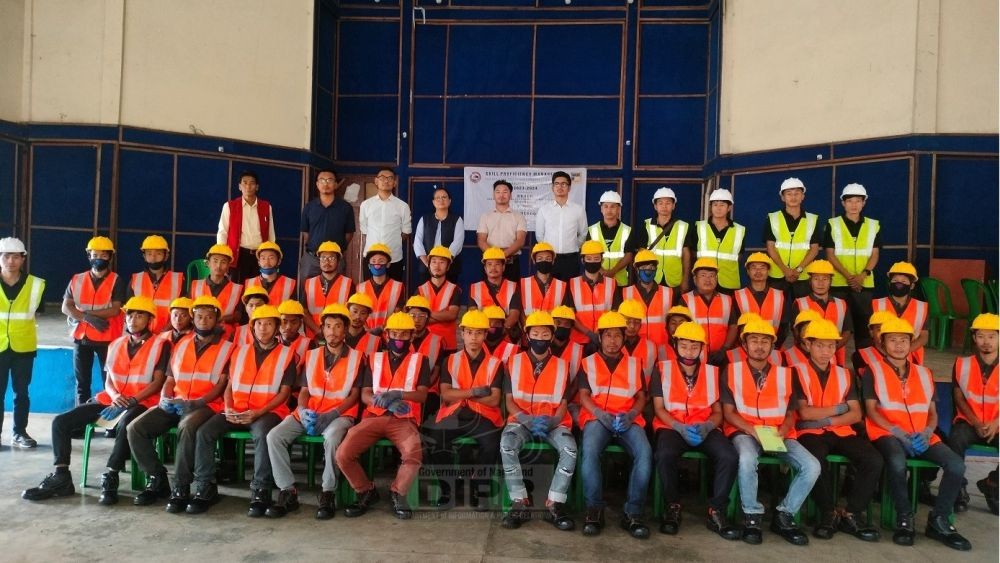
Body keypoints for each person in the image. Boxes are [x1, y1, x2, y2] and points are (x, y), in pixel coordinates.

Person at [23, 297, 167, 504]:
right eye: (130, 315)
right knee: (60, 423)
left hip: (142, 402)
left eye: (139, 315)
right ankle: (61, 475)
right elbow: (108, 379)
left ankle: (111, 475)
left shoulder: (161, 344)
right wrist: (116, 396)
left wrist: (133, 399)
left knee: (127, 425)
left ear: (150, 319)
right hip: (111, 399)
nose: (133, 319)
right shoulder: (116, 343)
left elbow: (158, 382)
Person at [863, 317, 971, 550]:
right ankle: (905, 518)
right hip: (887, 433)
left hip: (923, 434)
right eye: (893, 340)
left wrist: (927, 431)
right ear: (882, 343)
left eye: (904, 340)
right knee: (897, 461)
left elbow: (932, 412)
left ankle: (939, 519)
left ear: (911, 343)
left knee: (956, 466)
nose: (899, 345)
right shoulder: (872, 371)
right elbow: (871, 411)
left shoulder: (924, 373)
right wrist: (898, 433)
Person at [126, 295, 232, 511]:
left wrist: (196, 403)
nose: (203, 320)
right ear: (193, 318)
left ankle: (181, 487)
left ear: (217, 320)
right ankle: (157, 477)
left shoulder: (227, 348)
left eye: (209, 317)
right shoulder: (181, 344)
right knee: (135, 428)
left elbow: (221, 385)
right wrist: (165, 397)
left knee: (187, 427)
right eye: (199, 316)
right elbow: (170, 378)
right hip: (176, 402)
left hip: (206, 405)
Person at [187, 305, 294, 516]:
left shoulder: (287, 354)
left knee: (263, 435)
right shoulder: (240, 351)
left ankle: (261, 489)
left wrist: (258, 412)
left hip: (267, 412)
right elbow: (229, 386)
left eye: (269, 324)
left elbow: (284, 393)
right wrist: (228, 407)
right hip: (236, 409)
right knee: (204, 432)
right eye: (259, 324)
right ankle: (205, 486)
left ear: (276, 328)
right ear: (252, 327)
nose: (263, 328)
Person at [722, 319, 820, 546]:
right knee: (747, 459)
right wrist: (753, 431)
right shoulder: (731, 371)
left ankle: (785, 515)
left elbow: (791, 412)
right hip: (744, 431)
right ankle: (752, 517)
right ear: (744, 345)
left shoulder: (786, 374)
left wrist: (784, 430)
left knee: (812, 466)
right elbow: (728, 413)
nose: (759, 345)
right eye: (754, 340)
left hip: (778, 433)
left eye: (765, 341)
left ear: (772, 346)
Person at [266, 304, 365, 519]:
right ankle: (287, 490)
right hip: (310, 413)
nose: (332, 331)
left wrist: (332, 414)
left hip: (339, 415)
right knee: (275, 436)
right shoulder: (311, 356)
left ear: (346, 329)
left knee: (331, 438)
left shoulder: (357, 357)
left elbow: (355, 395)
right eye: (328, 326)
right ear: (322, 329)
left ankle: (328, 492)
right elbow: (304, 391)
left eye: (338, 326)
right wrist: (302, 410)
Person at [792, 319, 883, 541]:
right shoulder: (795, 372)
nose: (826, 351)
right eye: (820, 345)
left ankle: (851, 512)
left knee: (873, 459)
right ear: (807, 345)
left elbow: (856, 414)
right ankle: (828, 512)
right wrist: (839, 409)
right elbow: (804, 414)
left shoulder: (845, 374)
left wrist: (828, 420)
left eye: (831, 346)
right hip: (808, 433)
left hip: (841, 431)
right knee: (816, 460)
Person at [336, 312, 430, 520]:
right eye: (394, 333)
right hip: (373, 417)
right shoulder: (374, 358)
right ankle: (366, 491)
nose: (399, 339)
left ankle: (398, 492)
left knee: (414, 453)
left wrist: (399, 395)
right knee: (343, 454)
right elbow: (365, 394)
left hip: (403, 420)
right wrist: (381, 401)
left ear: (412, 336)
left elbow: (422, 395)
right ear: (386, 335)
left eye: (404, 334)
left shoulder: (420, 360)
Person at [651, 322, 739, 540]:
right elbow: (659, 408)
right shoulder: (661, 369)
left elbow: (718, 411)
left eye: (694, 347)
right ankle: (672, 506)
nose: (689, 351)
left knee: (728, 456)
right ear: (675, 345)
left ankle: (716, 510)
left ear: (702, 348)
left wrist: (709, 425)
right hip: (672, 426)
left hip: (704, 427)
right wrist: (678, 426)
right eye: (684, 346)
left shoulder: (713, 373)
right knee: (664, 455)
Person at [577, 312, 652, 539]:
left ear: (623, 337)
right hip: (597, 418)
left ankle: (633, 513)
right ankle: (594, 510)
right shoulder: (587, 363)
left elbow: (641, 396)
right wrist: (599, 413)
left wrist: (632, 414)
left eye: (617, 335)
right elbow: (583, 395)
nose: (613, 341)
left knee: (645, 453)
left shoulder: (633, 363)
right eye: (608, 335)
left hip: (627, 419)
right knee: (589, 451)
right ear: (599, 337)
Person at [499, 311, 577, 531]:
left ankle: (555, 504)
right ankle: (519, 503)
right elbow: (509, 401)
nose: (540, 338)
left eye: (545, 334)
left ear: (551, 337)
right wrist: (526, 420)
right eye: (535, 333)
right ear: (527, 336)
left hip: (553, 423)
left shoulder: (563, 365)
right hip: (521, 421)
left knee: (570, 449)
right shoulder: (513, 362)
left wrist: (553, 421)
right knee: (507, 445)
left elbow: (563, 402)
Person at [423, 310, 505, 510]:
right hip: (455, 413)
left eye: (478, 333)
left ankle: (479, 487)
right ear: (462, 334)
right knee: (434, 438)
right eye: (469, 332)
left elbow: (494, 400)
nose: (473, 338)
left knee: (491, 444)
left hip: (485, 416)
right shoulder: (451, 360)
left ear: (486, 335)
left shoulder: (496, 363)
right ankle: (448, 487)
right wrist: (474, 392)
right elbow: (446, 395)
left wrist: (460, 392)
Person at [62, 236, 126, 405]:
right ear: (89, 256)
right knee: (82, 384)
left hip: (107, 339)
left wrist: (84, 313)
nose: (98, 259)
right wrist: (87, 318)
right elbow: (66, 307)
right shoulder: (77, 279)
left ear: (110, 257)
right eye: (94, 255)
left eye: (103, 256)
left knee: (110, 383)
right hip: (81, 339)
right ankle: (80, 420)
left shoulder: (116, 280)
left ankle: (108, 421)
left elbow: (115, 309)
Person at [947, 313, 998, 515]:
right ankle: (958, 488)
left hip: (997, 423)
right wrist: (975, 421)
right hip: (969, 422)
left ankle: (993, 483)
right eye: (981, 336)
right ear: (974, 338)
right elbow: (958, 397)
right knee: (956, 439)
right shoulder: (962, 364)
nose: (986, 342)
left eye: (992, 336)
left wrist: (996, 422)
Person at [0, 237, 44, 448]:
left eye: (15, 256)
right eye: (6, 256)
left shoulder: (36, 285)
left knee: (22, 393)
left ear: (23, 259)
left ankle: (19, 433)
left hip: (23, 348)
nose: (10, 261)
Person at [825, 183, 880, 349]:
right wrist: (850, 277)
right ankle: (836, 364)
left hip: (864, 284)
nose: (854, 205)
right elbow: (830, 254)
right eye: (850, 201)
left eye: (858, 201)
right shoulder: (833, 224)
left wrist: (862, 275)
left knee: (864, 328)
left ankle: (863, 367)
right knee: (837, 326)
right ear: (843, 203)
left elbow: (875, 254)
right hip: (839, 284)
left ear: (864, 203)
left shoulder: (873, 225)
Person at [624, 187, 690, 292]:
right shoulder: (645, 225)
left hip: (674, 280)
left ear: (673, 206)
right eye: (660, 203)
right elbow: (641, 253)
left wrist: (685, 280)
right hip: (651, 278)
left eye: (668, 203)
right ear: (655, 206)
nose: (664, 206)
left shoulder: (683, 226)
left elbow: (686, 254)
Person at [764, 177, 821, 298]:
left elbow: (814, 249)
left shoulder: (812, 219)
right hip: (777, 275)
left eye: (797, 193)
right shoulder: (773, 218)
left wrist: (798, 270)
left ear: (803, 196)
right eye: (789, 194)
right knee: (776, 312)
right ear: (783, 197)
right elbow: (770, 247)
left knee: (803, 312)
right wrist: (785, 270)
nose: (793, 197)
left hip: (803, 276)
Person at [217, 170, 276, 284]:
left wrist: (270, 255)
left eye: (252, 183)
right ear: (240, 186)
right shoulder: (229, 206)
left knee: (258, 290)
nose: (248, 186)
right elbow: (222, 233)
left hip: (259, 257)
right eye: (245, 183)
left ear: (257, 187)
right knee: (236, 290)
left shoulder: (266, 207)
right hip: (238, 256)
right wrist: (223, 257)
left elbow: (271, 234)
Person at [299, 168, 355, 280]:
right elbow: (306, 233)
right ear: (317, 184)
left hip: (336, 259)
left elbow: (349, 234)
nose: (326, 183)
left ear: (335, 184)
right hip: (312, 259)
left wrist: (337, 250)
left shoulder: (345, 208)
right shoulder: (309, 207)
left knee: (337, 292)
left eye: (330, 180)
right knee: (308, 293)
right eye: (322, 180)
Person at [794, 260, 853, 365]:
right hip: (806, 357)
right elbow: (797, 334)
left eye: (825, 279)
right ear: (810, 281)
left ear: (831, 282)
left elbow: (847, 331)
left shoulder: (842, 304)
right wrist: (815, 350)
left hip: (836, 356)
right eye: (816, 279)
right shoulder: (799, 303)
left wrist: (830, 349)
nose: (820, 283)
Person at [359, 167, 412, 282]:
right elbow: (364, 231)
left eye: (390, 178)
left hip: (394, 258)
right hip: (371, 259)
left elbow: (406, 232)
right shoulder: (366, 205)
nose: (386, 181)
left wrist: (393, 242)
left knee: (394, 292)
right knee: (369, 293)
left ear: (395, 183)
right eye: (382, 178)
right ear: (376, 181)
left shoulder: (402, 206)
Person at [871, 262, 929, 364]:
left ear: (912, 286)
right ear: (890, 283)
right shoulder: (876, 304)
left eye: (903, 281)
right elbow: (871, 334)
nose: (899, 283)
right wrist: (888, 352)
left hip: (912, 356)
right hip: (881, 355)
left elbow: (924, 336)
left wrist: (904, 351)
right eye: (895, 280)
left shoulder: (922, 307)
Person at [535, 171, 588, 281]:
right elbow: (539, 236)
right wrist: (548, 252)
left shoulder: (578, 210)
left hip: (571, 259)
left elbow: (583, 233)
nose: (560, 187)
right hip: (550, 259)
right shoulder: (544, 210)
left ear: (569, 188)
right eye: (557, 184)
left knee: (570, 292)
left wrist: (573, 245)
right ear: (552, 187)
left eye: (564, 184)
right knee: (550, 291)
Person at [689, 189, 745, 293]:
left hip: (729, 282)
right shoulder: (698, 227)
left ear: (729, 208)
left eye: (722, 205)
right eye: (715, 205)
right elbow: (692, 253)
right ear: (710, 207)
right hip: (704, 282)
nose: (718, 208)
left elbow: (740, 256)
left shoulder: (739, 230)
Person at [681, 258, 737, 360]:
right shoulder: (685, 299)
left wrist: (724, 349)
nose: (708, 279)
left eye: (712, 276)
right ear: (694, 279)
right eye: (703, 275)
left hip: (721, 356)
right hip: (694, 356)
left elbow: (733, 326)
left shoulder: (727, 300)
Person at [127, 235, 184, 334]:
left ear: (166, 256)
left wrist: (165, 331)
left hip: (169, 335)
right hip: (141, 336)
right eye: (149, 254)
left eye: (158, 253)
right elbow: (129, 310)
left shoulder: (178, 279)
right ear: (144, 256)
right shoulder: (136, 279)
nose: (153, 258)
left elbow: (182, 310)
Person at [619, 249, 674, 349]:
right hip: (636, 348)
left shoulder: (669, 293)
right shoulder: (625, 293)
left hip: (662, 347)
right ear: (637, 270)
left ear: (656, 269)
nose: (648, 270)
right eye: (644, 267)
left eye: (652, 267)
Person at [567, 240, 616, 349]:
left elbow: (614, 312)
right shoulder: (571, 284)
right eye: (588, 259)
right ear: (582, 260)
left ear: (602, 260)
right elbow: (570, 315)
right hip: (578, 341)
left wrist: (598, 332)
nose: (592, 262)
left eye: (596, 259)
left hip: (604, 340)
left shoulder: (612, 284)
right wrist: (589, 333)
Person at [301, 241, 355, 338]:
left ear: (338, 261)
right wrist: (317, 331)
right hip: (313, 337)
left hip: (338, 337)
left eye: (331, 258)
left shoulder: (348, 284)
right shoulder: (309, 283)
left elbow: (352, 313)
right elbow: (304, 311)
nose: (327, 261)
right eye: (323, 258)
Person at [189, 244, 244, 339]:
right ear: (208, 263)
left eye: (223, 262)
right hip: (198, 335)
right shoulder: (195, 285)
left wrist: (219, 319)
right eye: (215, 261)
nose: (218, 266)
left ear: (228, 266)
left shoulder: (237, 289)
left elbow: (238, 315)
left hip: (226, 336)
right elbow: (189, 311)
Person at [477, 179, 527, 282]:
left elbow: (520, 241)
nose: (501, 195)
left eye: (505, 192)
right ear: (493, 195)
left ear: (510, 195)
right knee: (489, 294)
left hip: (511, 262)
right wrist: (494, 256)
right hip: (491, 263)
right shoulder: (485, 216)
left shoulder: (519, 216)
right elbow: (481, 240)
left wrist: (503, 255)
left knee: (512, 294)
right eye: (498, 192)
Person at [404, 295, 444, 419]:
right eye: (413, 315)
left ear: (427, 319)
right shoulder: (398, 337)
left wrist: (421, 389)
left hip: (428, 390)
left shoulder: (437, 341)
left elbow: (436, 372)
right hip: (403, 390)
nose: (417, 320)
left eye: (422, 316)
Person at [469, 247, 522, 339]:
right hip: (482, 335)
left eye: (497, 264)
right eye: (489, 264)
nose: (493, 268)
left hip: (505, 335)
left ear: (503, 267)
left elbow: (514, 315)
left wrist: (499, 333)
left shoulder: (513, 286)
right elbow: (473, 313)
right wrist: (486, 333)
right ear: (485, 268)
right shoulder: (475, 288)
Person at [414, 187, 464, 284]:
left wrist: (445, 262)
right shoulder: (424, 219)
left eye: (444, 197)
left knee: (449, 295)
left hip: (450, 267)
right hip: (427, 267)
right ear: (433, 202)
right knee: (426, 295)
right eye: (438, 198)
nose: (441, 200)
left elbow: (458, 242)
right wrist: (427, 262)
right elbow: (417, 241)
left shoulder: (457, 220)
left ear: (449, 201)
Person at [416, 246, 461, 352]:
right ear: (428, 265)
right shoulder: (420, 290)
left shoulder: (454, 289)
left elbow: (451, 315)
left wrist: (426, 314)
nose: (437, 265)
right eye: (434, 261)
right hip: (424, 343)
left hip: (448, 344)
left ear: (448, 266)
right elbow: (416, 318)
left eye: (442, 262)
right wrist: (442, 316)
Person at [733, 252, 786, 337]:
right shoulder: (737, 296)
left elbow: (784, 326)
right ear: (748, 271)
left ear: (768, 271)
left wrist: (773, 346)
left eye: (762, 267)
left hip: (773, 345)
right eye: (754, 267)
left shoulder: (779, 296)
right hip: (745, 346)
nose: (758, 271)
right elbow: (734, 327)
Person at [587, 190, 633, 286]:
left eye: (613, 206)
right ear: (601, 209)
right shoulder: (592, 230)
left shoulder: (627, 230)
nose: (609, 210)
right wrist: (602, 271)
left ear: (619, 209)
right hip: (597, 279)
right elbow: (587, 254)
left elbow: (629, 255)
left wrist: (613, 271)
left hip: (620, 281)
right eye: (606, 206)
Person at [357, 243, 405, 330]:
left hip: (389, 334)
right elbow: (357, 314)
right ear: (369, 265)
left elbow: (398, 313)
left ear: (388, 264)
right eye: (373, 261)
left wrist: (383, 329)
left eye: (381, 261)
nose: (377, 265)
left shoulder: (398, 287)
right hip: (366, 334)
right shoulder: (360, 288)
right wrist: (368, 331)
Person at [618, 299, 662, 383]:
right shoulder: (611, 345)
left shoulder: (651, 347)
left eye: (636, 322)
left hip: (644, 394)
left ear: (641, 324)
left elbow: (654, 377)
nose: (632, 326)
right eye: (627, 321)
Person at [243, 241, 296, 309]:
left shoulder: (290, 283)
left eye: (271, 258)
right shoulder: (249, 283)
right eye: (263, 258)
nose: (267, 262)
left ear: (279, 261)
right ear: (259, 262)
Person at [519, 242, 567, 315]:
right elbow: (520, 312)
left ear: (553, 261)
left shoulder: (562, 286)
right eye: (540, 258)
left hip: (553, 326)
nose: (544, 261)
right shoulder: (523, 284)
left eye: (548, 258)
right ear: (534, 261)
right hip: (529, 326)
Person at [277, 300, 312, 365]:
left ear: (300, 324)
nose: (288, 327)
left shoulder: (310, 344)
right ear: (278, 322)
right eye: (284, 322)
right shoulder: (270, 342)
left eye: (294, 322)